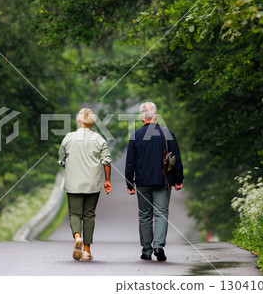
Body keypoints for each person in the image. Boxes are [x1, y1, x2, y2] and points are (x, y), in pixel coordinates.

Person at [125, 102, 183, 261]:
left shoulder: (135, 136)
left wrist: (129, 183)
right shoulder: (167, 133)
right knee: (161, 213)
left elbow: (130, 162)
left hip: (142, 182)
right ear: (156, 116)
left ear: (141, 117)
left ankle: (146, 250)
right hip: (163, 181)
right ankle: (158, 246)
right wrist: (178, 180)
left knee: (144, 215)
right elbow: (175, 158)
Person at [58, 108, 112, 261]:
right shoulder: (99, 139)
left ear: (79, 120)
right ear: (92, 121)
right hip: (92, 184)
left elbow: (61, 158)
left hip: (73, 183)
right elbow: (107, 161)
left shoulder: (69, 138)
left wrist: (64, 162)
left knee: (74, 213)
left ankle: (77, 238)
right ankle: (87, 251)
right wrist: (107, 180)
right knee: (89, 215)